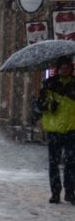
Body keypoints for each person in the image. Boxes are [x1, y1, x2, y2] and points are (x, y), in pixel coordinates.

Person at [37, 56, 75, 205]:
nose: (64, 70)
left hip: (72, 128)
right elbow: (40, 106)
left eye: (67, 67)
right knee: (54, 163)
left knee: (71, 163)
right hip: (54, 129)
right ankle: (55, 192)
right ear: (58, 69)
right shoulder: (49, 85)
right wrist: (48, 106)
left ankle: (70, 192)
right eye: (62, 67)